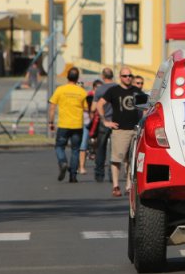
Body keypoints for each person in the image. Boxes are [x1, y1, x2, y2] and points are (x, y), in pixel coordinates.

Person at [95, 66, 141, 197]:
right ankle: (115, 186)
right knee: (116, 159)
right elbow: (99, 104)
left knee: (131, 160)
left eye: (130, 76)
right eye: (125, 76)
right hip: (119, 130)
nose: (128, 78)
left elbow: (145, 107)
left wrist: (143, 123)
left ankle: (128, 186)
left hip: (135, 130)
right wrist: (105, 121)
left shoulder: (137, 91)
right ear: (120, 77)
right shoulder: (113, 90)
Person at [48, 67, 88, 183]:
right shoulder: (81, 91)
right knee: (75, 150)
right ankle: (73, 176)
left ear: (67, 77)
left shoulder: (60, 90)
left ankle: (63, 162)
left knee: (59, 147)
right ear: (77, 78)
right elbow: (86, 108)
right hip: (77, 125)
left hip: (64, 125)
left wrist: (51, 122)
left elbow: (52, 107)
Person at [91, 68, 116, 183]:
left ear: (103, 76)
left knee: (101, 148)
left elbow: (94, 107)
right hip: (116, 122)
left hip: (104, 121)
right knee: (114, 150)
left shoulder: (100, 89)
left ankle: (99, 174)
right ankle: (112, 174)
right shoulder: (117, 87)